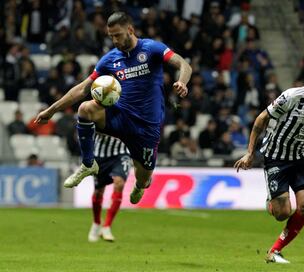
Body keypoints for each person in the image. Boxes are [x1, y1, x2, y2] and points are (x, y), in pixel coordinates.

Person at [35, 12, 192, 204]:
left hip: (146, 128)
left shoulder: (151, 48)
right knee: (85, 109)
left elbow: (184, 64)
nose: (114, 40)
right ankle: (88, 164)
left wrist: (182, 82)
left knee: (143, 178)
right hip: (120, 116)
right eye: (111, 36)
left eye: (118, 35)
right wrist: (51, 110)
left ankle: (140, 185)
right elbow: (83, 88)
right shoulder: (110, 60)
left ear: (130, 30)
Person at [234, 63, 304, 263]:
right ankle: (272, 202)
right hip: (276, 156)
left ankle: (275, 251)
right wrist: (249, 153)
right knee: (282, 214)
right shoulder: (292, 96)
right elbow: (261, 119)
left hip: (301, 157)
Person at [88, 133, 131, 242]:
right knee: (98, 191)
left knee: (119, 183)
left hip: (121, 153)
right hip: (100, 155)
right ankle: (97, 222)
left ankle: (107, 226)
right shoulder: (100, 115)